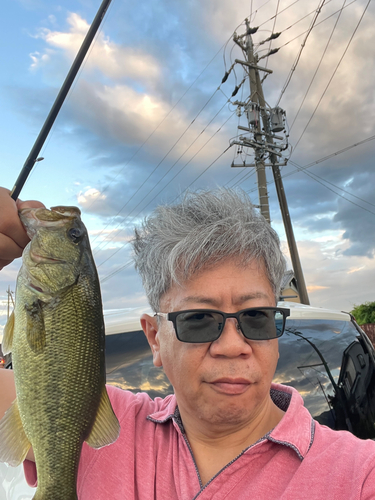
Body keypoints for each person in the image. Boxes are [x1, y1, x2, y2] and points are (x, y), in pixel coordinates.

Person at [0, 185, 375, 500]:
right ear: (155, 339)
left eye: (256, 318)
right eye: (198, 320)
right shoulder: (95, 418)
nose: (232, 346)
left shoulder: (360, 474)